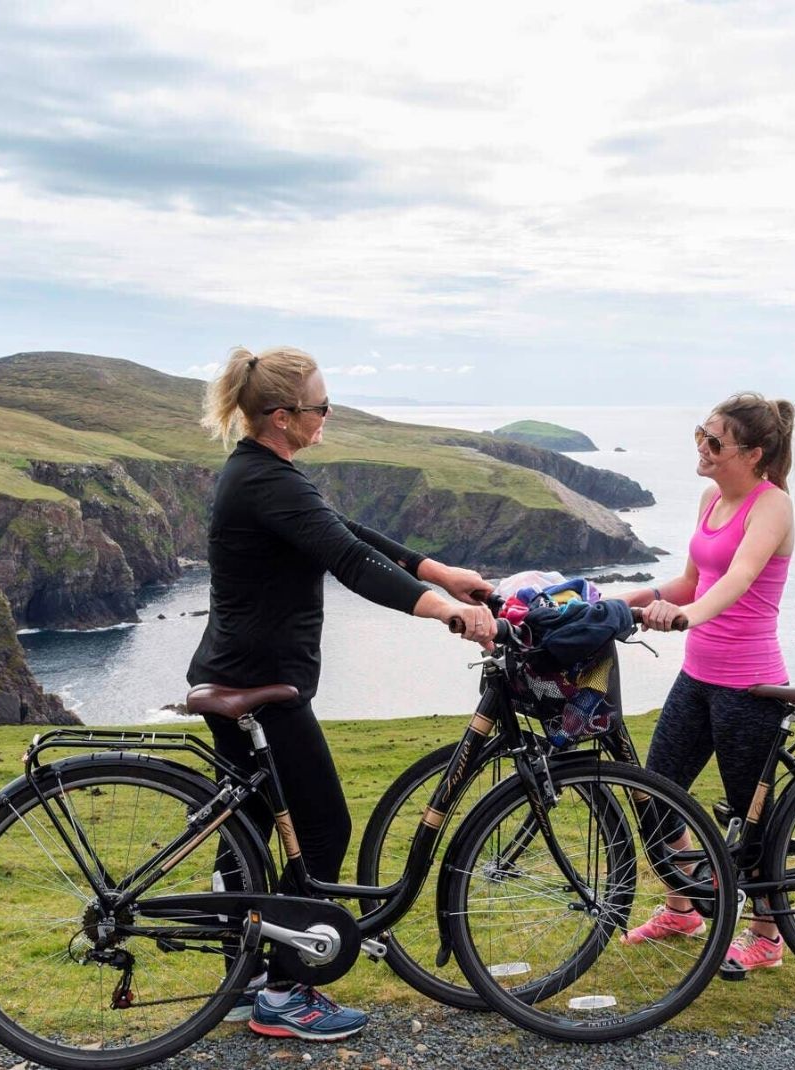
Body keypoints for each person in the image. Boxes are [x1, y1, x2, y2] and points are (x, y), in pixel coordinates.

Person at [186, 345, 496, 1041]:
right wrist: (446, 611)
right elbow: (350, 561)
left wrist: (440, 572)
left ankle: (245, 981)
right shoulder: (267, 481)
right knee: (323, 829)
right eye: (320, 406)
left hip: (234, 668)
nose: (328, 416)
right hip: (263, 683)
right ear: (279, 416)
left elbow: (344, 532)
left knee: (252, 829)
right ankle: (287, 994)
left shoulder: (262, 472)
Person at [620, 391, 795, 974]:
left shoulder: (771, 507)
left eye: (715, 441)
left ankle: (767, 936)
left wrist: (689, 616)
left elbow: (741, 578)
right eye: (701, 432)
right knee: (656, 790)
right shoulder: (710, 499)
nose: (702, 446)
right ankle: (684, 908)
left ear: (753, 453)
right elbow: (693, 580)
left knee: (751, 818)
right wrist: (626, 600)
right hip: (698, 675)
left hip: (750, 686)